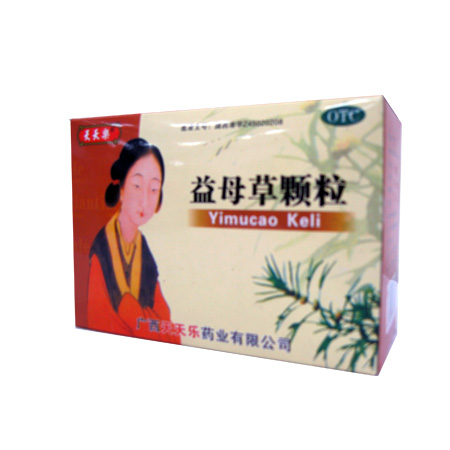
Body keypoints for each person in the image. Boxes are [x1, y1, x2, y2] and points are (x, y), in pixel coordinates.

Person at [87, 138, 180, 344]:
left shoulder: (144, 252)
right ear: (121, 188)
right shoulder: (102, 249)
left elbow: (170, 330)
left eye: (153, 189)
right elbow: (99, 322)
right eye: (137, 186)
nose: (145, 201)